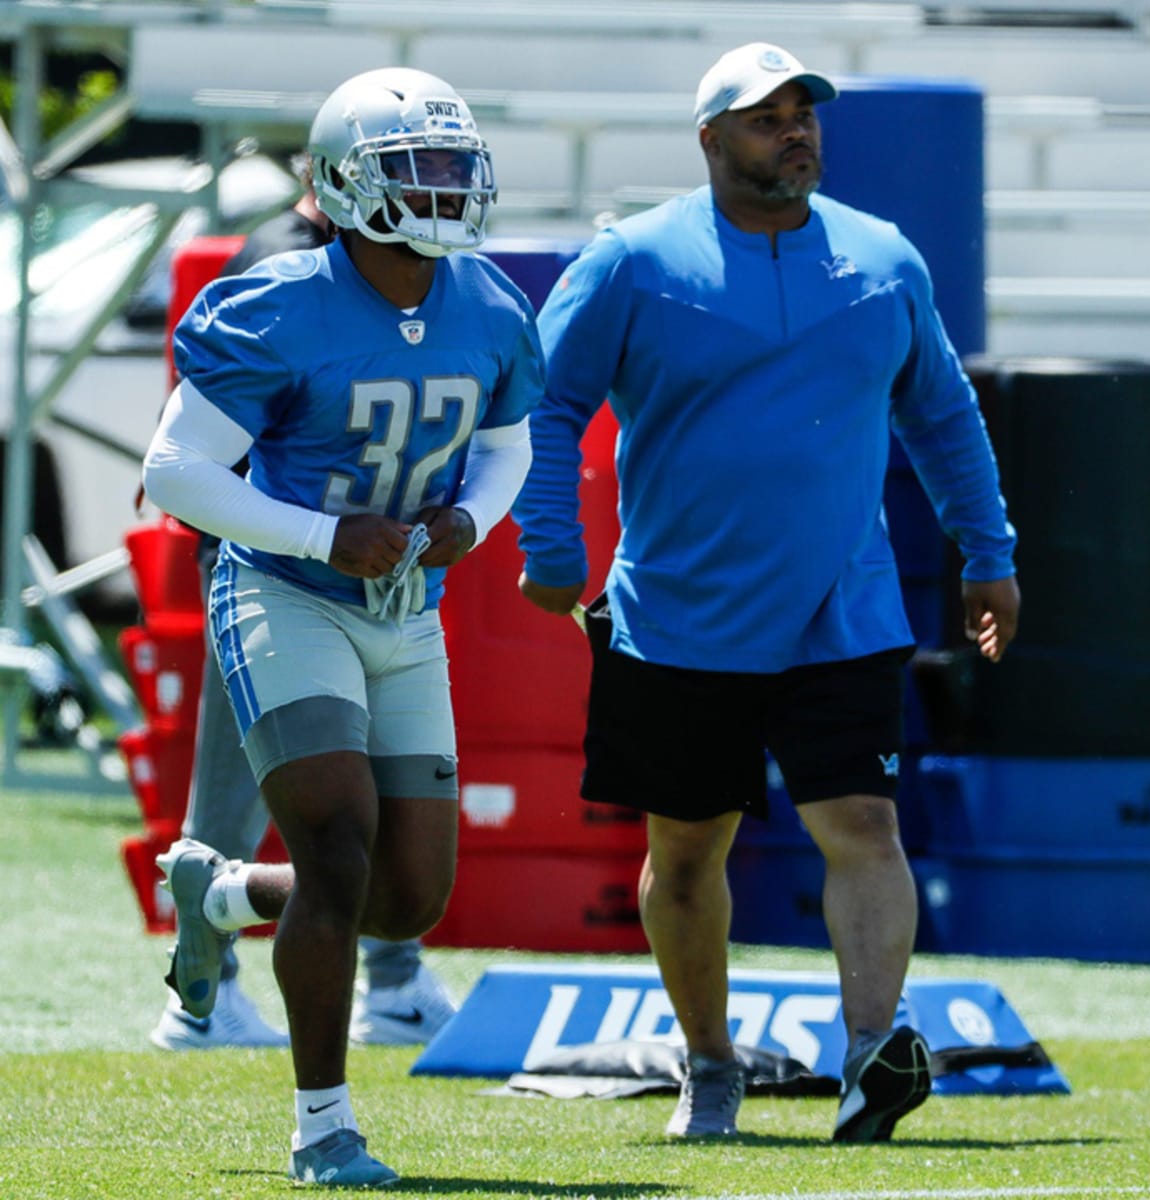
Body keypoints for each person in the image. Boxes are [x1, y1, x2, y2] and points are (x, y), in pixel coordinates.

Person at [512, 42, 1020, 1143]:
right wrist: (550, 542)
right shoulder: (632, 261)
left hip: (845, 611)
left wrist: (989, 550)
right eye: (763, 117)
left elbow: (940, 414)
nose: (794, 130)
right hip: (677, 617)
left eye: (804, 113)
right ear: (710, 140)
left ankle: (869, 1058)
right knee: (686, 855)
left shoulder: (886, 260)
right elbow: (544, 405)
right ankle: (708, 1064)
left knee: (865, 825)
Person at [142, 66, 544, 1188]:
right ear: (342, 181)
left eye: (457, 167)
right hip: (285, 591)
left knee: (410, 898)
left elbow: (510, 442)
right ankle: (325, 1128)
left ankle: (221, 893)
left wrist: (473, 513)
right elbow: (173, 470)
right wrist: (322, 539)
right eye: (417, 169)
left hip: (405, 606)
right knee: (338, 845)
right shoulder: (278, 300)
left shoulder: (491, 305)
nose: (446, 190)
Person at [151, 154, 457, 1055]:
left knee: (367, 789)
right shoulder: (286, 265)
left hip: (358, 573)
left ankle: (389, 977)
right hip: (275, 569)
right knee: (244, 792)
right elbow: (204, 433)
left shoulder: (386, 275)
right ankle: (199, 998)